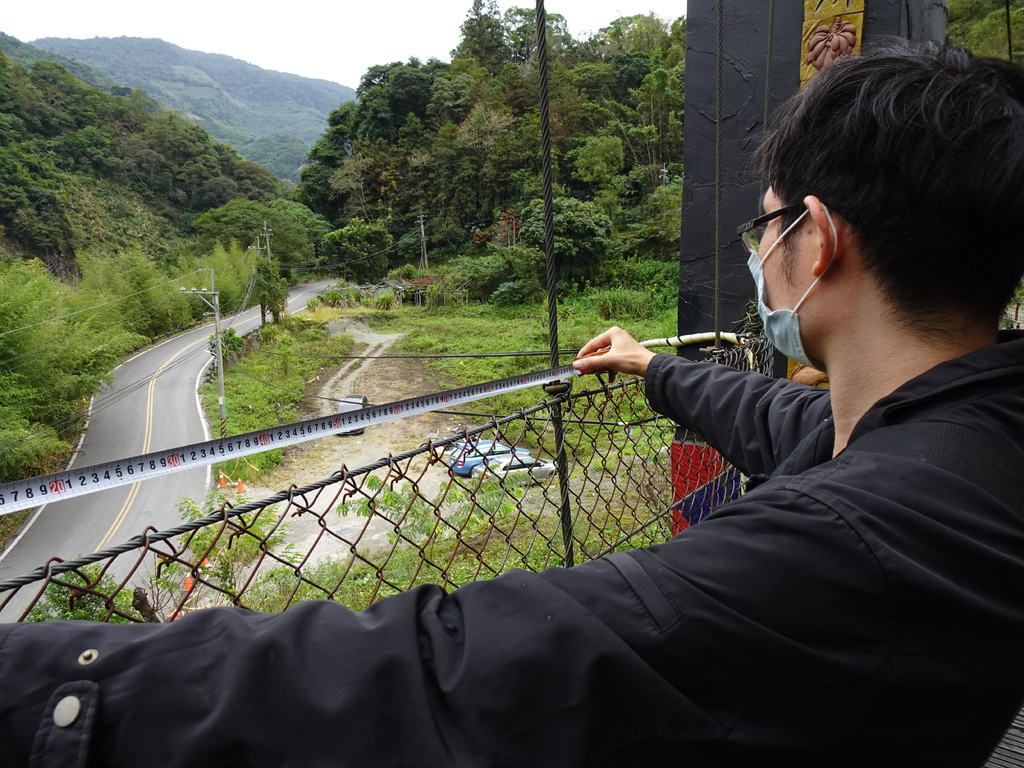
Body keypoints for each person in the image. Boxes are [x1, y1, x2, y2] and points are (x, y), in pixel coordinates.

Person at [3, 40, 1024, 767]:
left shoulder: (850, 542)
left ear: (818, 239)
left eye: (762, 231)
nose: (758, 257)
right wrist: (647, 367)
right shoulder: (955, 435)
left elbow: (449, 671)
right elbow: (787, 420)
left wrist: (56, 684)